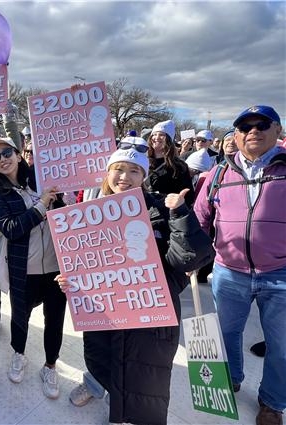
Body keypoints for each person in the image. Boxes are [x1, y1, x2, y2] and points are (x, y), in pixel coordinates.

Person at [59, 137, 214, 424]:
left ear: (143, 175)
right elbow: (84, 266)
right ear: (107, 173)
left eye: (134, 171)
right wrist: (72, 281)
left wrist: (179, 214)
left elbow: (190, 260)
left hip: (149, 317)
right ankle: (97, 387)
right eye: (118, 169)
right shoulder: (88, 215)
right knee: (101, 361)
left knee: (143, 383)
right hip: (106, 313)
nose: (124, 177)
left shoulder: (160, 210)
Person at [194, 105, 285, 425]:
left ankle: (272, 402)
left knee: (281, 344)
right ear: (235, 135)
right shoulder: (219, 173)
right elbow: (200, 218)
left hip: (280, 274)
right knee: (227, 332)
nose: (253, 131)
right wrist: (191, 255)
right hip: (228, 271)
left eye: (262, 124)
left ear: (277, 131)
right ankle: (231, 376)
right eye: (245, 126)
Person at [0, 136, 67, 399]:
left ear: (19, 154)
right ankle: (18, 354)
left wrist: (59, 200)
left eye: (7, 152)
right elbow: (11, 229)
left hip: (58, 268)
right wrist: (42, 205)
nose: (2, 159)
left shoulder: (43, 180)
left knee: (54, 321)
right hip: (24, 269)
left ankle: (50, 365)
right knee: (21, 318)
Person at [147, 120, 195, 206]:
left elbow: (188, 196)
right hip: (144, 210)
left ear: (169, 139)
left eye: (162, 135)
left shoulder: (179, 166)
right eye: (154, 134)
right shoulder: (143, 160)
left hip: (165, 212)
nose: (157, 137)